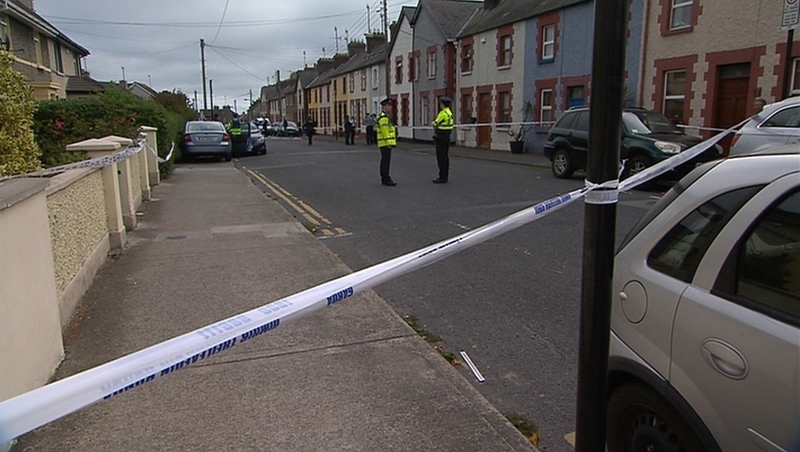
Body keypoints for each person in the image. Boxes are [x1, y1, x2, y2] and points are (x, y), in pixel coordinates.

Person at [431, 96, 454, 183]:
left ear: (442, 104)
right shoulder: (450, 113)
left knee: (441, 158)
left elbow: (435, 123)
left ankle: (442, 177)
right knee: (445, 157)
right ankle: (445, 175)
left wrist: (433, 122)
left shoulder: (443, 113)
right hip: (447, 136)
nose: (440, 105)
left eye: (440, 103)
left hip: (441, 137)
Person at [376, 98, 397, 186]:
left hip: (383, 142)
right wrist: (389, 142)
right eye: (389, 106)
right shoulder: (384, 118)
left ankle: (384, 177)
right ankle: (386, 178)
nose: (390, 108)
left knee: (384, 160)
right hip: (385, 143)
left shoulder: (384, 116)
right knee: (386, 161)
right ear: (384, 107)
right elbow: (385, 131)